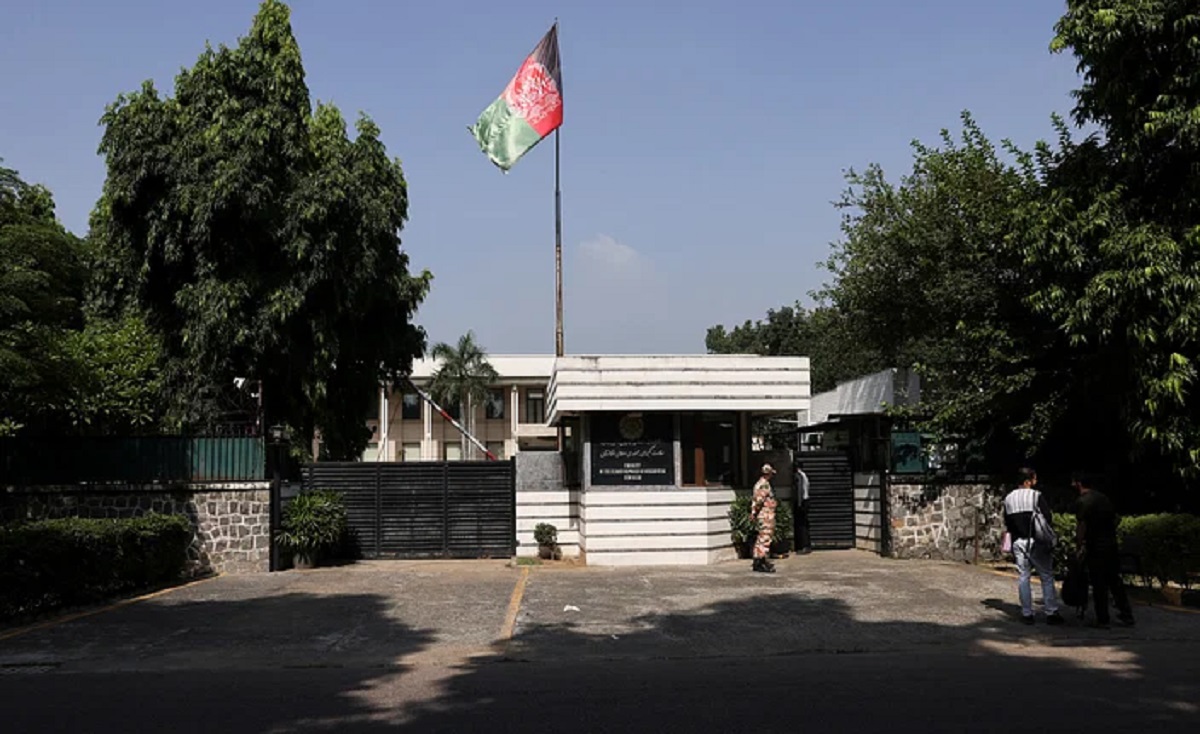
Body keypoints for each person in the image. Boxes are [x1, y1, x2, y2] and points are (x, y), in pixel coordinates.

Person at [1002, 467, 1064, 625]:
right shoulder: (1036, 496)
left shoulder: (1008, 498)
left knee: (1024, 577)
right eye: (1034, 479)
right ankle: (1051, 612)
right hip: (1036, 541)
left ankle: (1027, 613)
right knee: (1046, 576)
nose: (1036, 481)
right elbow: (1047, 517)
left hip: (1018, 541)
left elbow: (1007, 522)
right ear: (1027, 481)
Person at [1072, 472, 1135, 628]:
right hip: (1110, 544)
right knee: (1114, 580)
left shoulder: (1082, 501)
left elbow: (1082, 526)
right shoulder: (1103, 498)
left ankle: (1103, 618)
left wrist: (1079, 545)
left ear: (1079, 484)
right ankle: (1126, 614)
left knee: (1098, 582)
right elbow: (1116, 519)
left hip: (1095, 546)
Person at [749, 463, 778, 573]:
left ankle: (758, 560)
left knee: (761, 538)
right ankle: (761, 561)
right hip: (765, 516)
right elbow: (759, 501)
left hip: (765, 515)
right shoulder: (764, 485)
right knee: (764, 538)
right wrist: (754, 513)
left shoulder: (761, 483)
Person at [793, 465, 812, 554]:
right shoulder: (804, 475)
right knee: (804, 524)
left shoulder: (799, 476)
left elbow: (800, 490)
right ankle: (806, 545)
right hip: (806, 501)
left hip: (802, 502)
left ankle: (803, 546)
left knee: (801, 525)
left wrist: (799, 504)